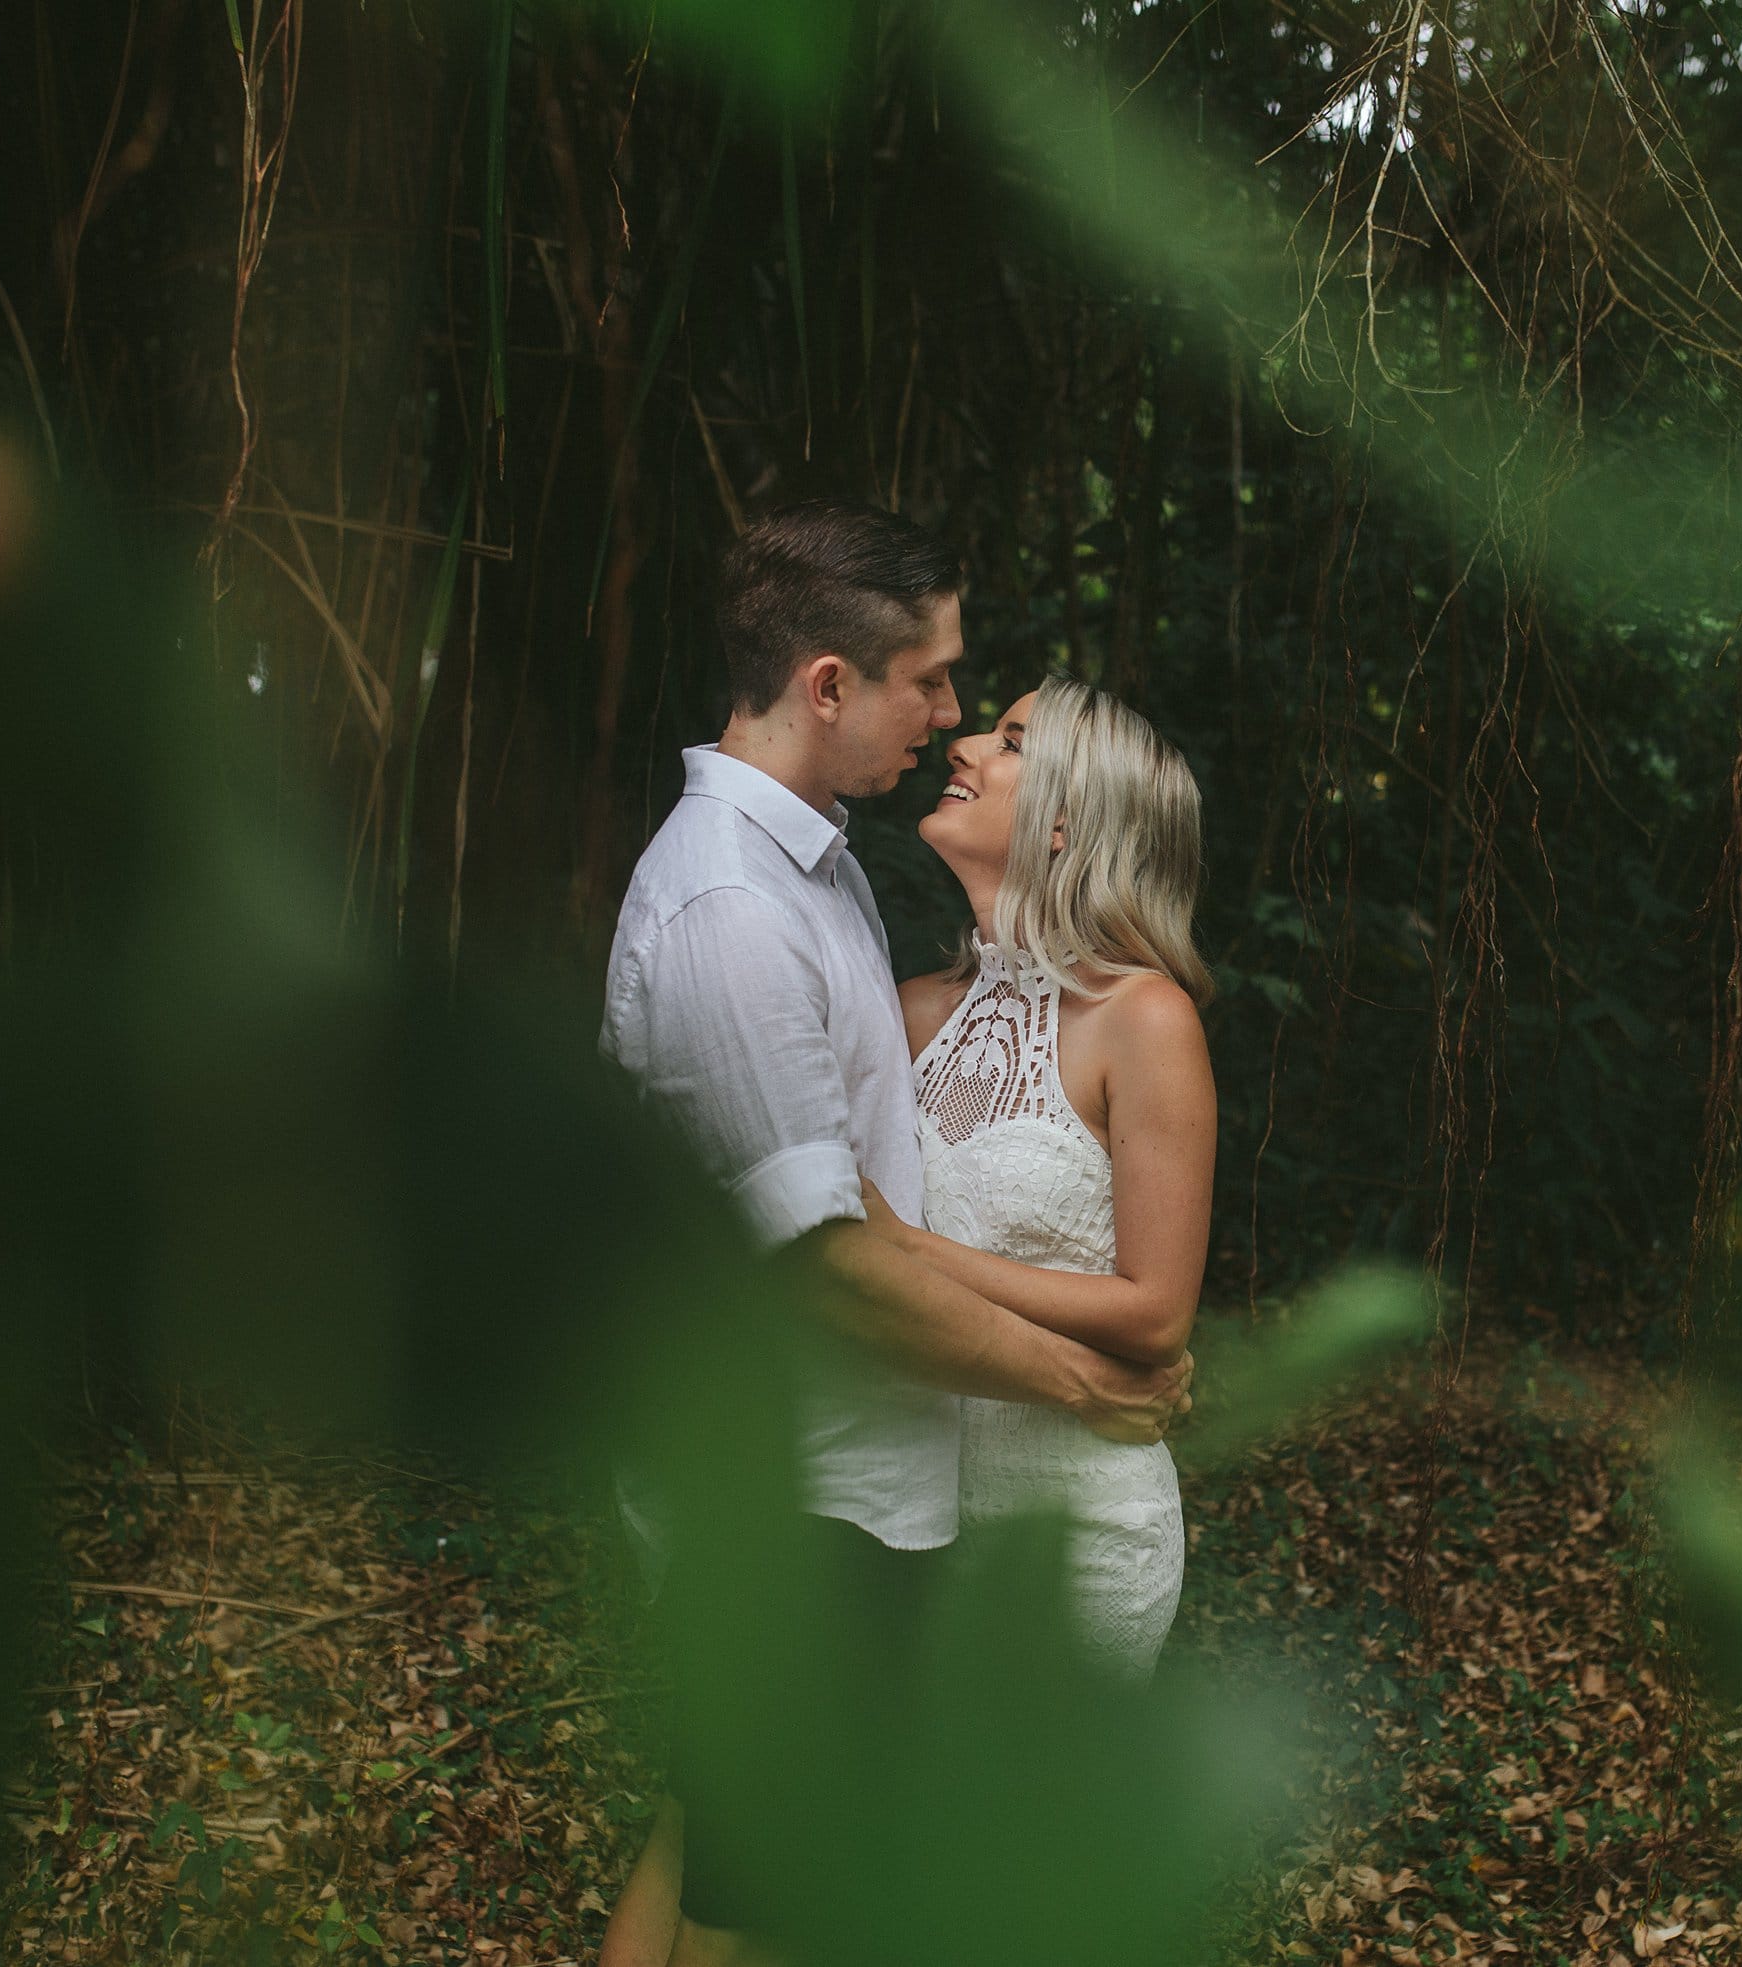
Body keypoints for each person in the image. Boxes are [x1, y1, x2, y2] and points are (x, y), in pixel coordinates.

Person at [592, 503, 1192, 1967]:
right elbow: (828, 1263)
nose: (949, 721)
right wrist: (1068, 1377)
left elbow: (893, 1223)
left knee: (736, 1861)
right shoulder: (742, 911)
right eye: (934, 684)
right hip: (808, 1496)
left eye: (982, 712)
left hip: (903, 1501)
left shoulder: (832, 880)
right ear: (824, 684)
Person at [868, 678, 1216, 1677]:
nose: (964, 743)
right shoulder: (906, 1011)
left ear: (1068, 817)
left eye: (1011, 740)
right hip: (906, 1523)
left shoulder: (1144, 1020)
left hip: (1079, 1536)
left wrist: (905, 1246)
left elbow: (1153, 1316)